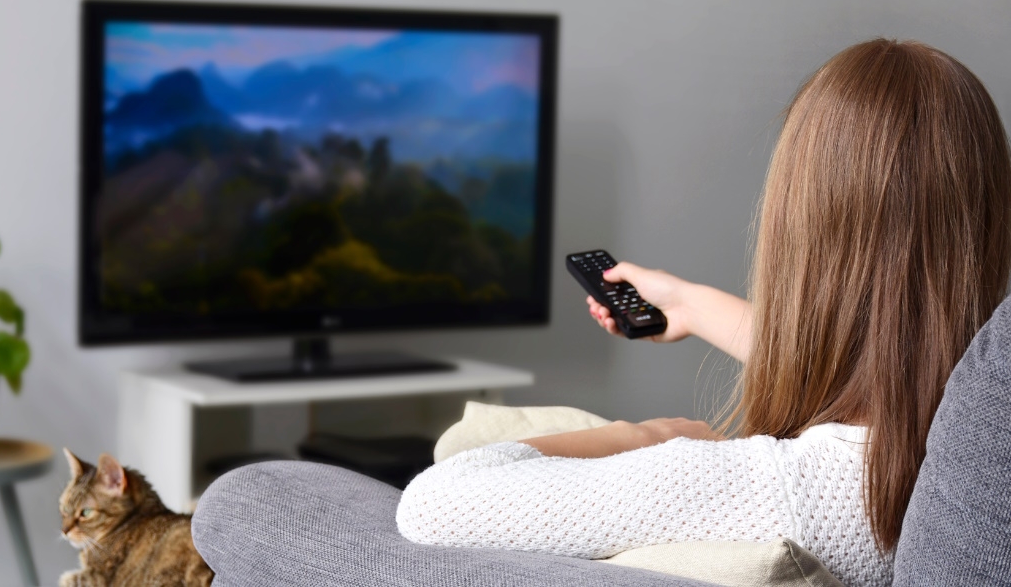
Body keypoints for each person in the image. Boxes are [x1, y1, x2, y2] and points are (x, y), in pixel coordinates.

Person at [395, 39, 1011, 587]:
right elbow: (877, 355)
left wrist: (650, 435)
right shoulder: (974, 426)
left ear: (797, 231)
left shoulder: (767, 490)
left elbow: (432, 504)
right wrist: (687, 305)